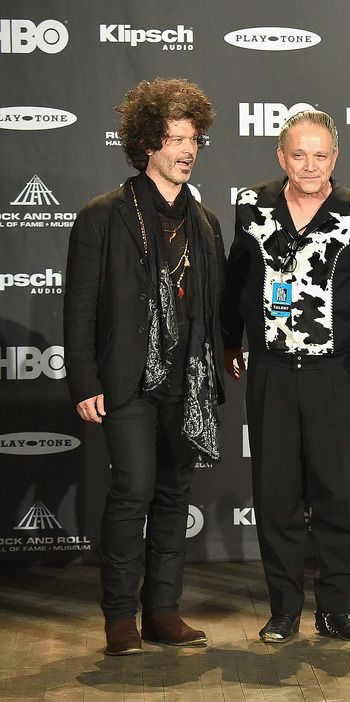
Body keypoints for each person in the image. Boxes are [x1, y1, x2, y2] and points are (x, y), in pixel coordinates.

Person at [222, 109, 350, 643]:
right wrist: (231, 340)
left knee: (338, 496)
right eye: (299, 154)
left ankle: (338, 610)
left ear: (335, 158)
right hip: (272, 372)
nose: (310, 165)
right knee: (276, 496)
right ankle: (283, 609)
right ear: (281, 156)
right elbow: (237, 279)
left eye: (321, 155)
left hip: (336, 375)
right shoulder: (252, 207)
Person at [64, 78, 223, 656]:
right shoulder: (103, 216)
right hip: (128, 380)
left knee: (174, 495)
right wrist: (84, 379)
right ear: (147, 145)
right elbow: (79, 307)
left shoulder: (204, 223)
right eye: (174, 139)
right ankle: (119, 617)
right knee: (133, 490)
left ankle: (163, 611)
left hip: (188, 383)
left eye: (193, 139)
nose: (186, 149)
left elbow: (213, 306)